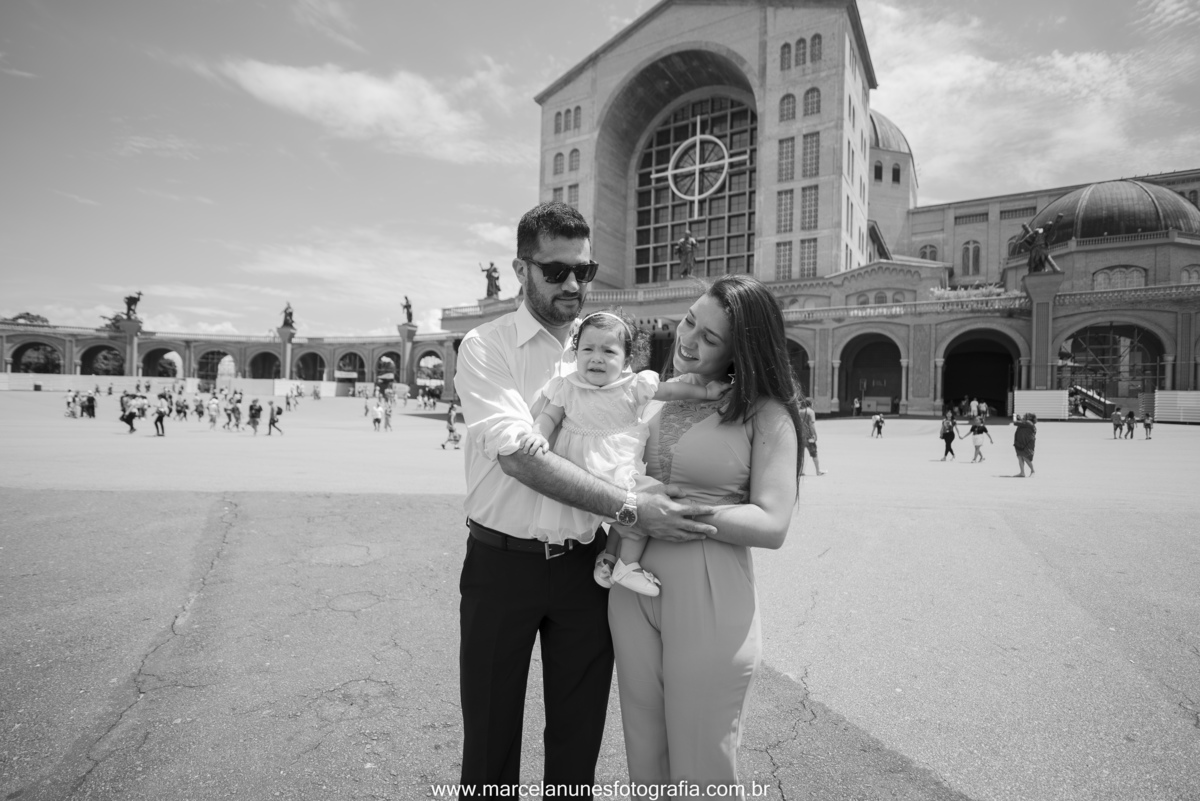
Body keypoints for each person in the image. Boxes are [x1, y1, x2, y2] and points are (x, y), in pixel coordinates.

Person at [454, 202, 715, 798]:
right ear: (521, 269)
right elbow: (520, 456)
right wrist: (632, 509)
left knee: (578, 736)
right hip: (501, 564)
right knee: (490, 736)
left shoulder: (604, 348)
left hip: (584, 565)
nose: (573, 283)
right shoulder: (487, 346)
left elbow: (656, 408)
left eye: (584, 269)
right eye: (556, 271)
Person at [608, 274, 801, 796]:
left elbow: (773, 523)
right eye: (690, 321)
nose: (688, 340)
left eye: (710, 337)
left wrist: (678, 509)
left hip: (710, 597)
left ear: (741, 352)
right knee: (645, 759)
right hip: (630, 591)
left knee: (700, 769)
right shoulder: (658, 396)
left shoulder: (766, 413)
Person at [516, 308, 729, 597]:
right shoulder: (567, 386)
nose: (596, 358)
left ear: (627, 360)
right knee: (643, 506)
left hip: (614, 463)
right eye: (588, 349)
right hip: (579, 469)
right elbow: (549, 417)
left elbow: (670, 392)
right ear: (575, 353)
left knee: (630, 511)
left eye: (608, 351)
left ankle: (608, 559)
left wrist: (705, 394)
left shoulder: (632, 385)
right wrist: (537, 433)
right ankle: (628, 566)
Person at [798, 398, 825, 476]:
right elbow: (811, 425)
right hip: (809, 436)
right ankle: (818, 471)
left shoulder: (799, 411)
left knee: (801, 455)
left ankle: (800, 471)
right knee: (814, 453)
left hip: (800, 436)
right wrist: (815, 435)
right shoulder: (810, 412)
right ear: (810, 404)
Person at [1013, 412, 1037, 476]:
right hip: (1021, 442)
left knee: (1025, 457)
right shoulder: (1026, 423)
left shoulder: (1028, 423)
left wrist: (1014, 416)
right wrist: (1019, 419)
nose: (1023, 416)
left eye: (1024, 416)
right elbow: (1021, 423)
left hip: (1026, 443)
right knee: (1020, 456)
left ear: (1029, 418)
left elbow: (1015, 422)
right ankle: (1022, 473)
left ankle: (1032, 471)